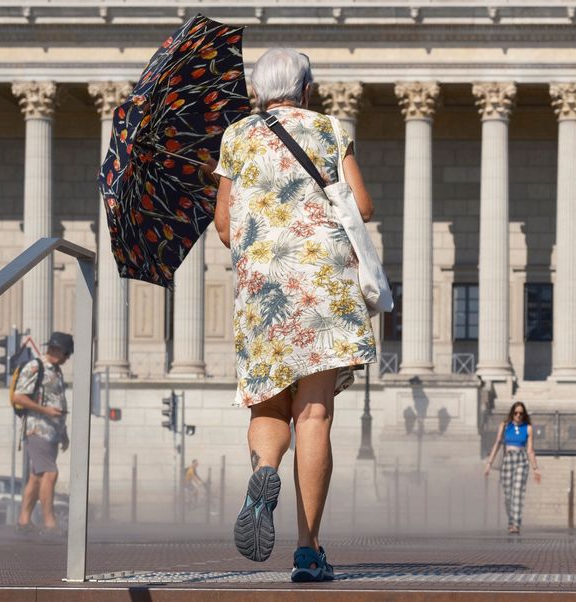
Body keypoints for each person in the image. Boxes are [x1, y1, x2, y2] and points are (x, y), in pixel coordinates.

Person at [212, 47, 377, 583]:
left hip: (263, 291)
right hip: (322, 287)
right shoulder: (328, 128)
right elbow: (363, 206)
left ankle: (264, 471)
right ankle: (307, 550)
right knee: (314, 414)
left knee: (267, 405)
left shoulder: (237, 137)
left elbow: (222, 222)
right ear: (305, 88)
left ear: (257, 91)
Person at [13, 332, 72, 535]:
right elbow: (19, 396)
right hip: (37, 429)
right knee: (51, 473)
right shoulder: (35, 366)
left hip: (52, 432)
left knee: (37, 477)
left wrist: (63, 432)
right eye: (66, 353)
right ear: (56, 350)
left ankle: (23, 521)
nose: (67, 358)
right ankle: (50, 523)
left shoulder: (56, 371)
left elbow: (57, 402)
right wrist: (46, 411)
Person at [484, 402, 542, 535]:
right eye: (516, 413)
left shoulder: (528, 428)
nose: (518, 416)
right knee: (508, 496)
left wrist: (535, 468)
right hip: (508, 460)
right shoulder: (504, 426)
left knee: (517, 493)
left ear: (524, 414)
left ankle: (516, 524)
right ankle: (511, 520)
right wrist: (489, 463)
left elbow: (530, 450)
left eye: (521, 413)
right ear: (512, 413)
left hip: (521, 459)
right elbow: (497, 444)